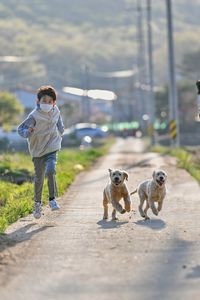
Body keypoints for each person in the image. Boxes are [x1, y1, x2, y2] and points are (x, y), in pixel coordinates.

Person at [18, 85, 65, 219]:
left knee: (51, 170)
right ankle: (37, 204)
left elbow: (59, 123)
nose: (47, 103)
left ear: (54, 103)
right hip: (38, 150)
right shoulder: (34, 116)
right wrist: (28, 132)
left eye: (50, 101)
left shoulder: (56, 111)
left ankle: (52, 199)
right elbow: (20, 130)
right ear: (38, 101)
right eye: (44, 100)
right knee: (39, 178)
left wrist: (61, 131)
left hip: (52, 147)